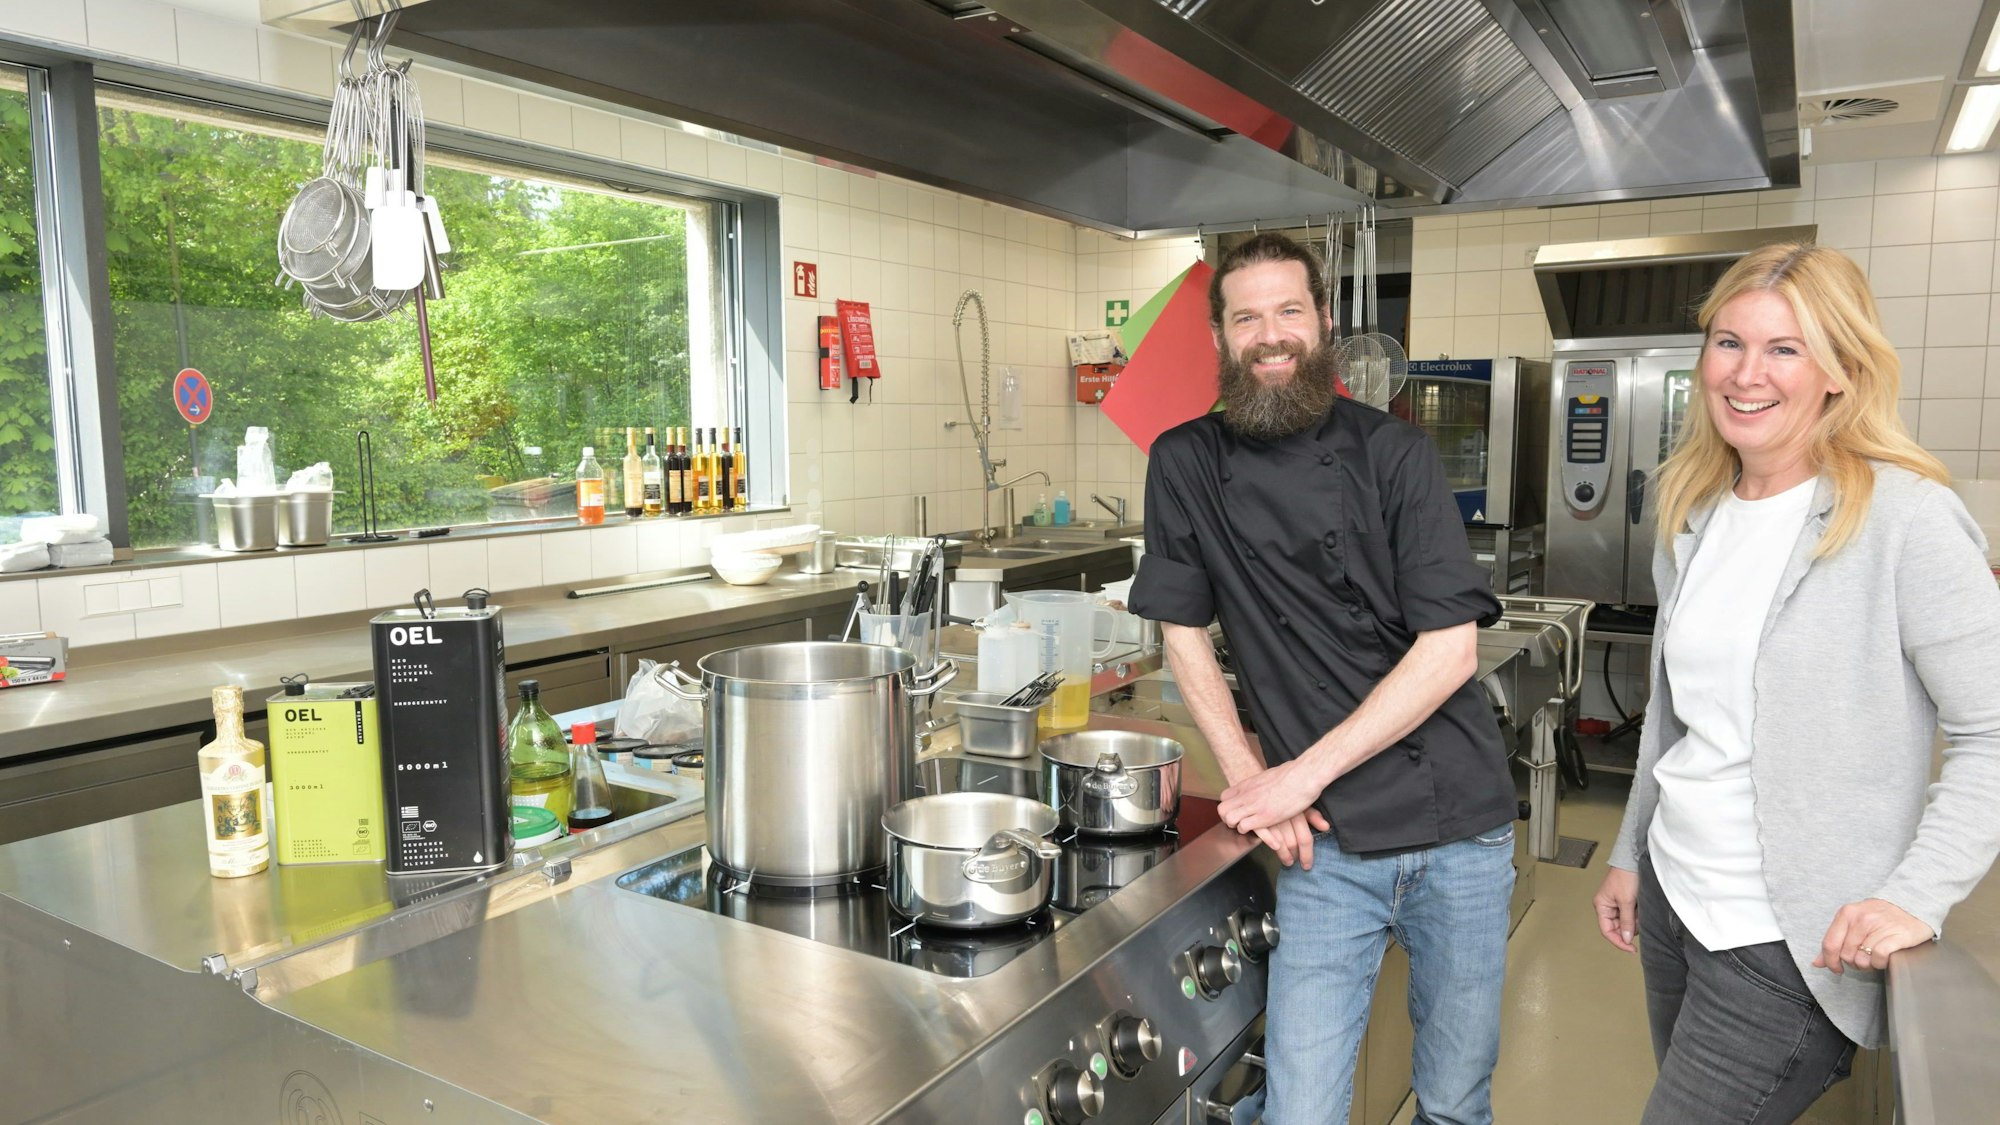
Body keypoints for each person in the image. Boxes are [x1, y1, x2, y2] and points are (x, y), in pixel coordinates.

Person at [1591, 241, 2000, 1123]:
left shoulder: (1905, 519)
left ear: (1843, 371)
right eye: (1729, 342)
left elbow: (1992, 733)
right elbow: (1672, 717)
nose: (1747, 373)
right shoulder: (1694, 510)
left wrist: (1915, 894)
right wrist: (1630, 851)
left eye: (1787, 348)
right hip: (1674, 904)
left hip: (1788, 945)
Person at [1127, 232, 1517, 1125]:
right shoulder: (1184, 462)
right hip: (1327, 847)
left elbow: (1449, 650)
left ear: (1326, 323)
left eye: (1289, 311)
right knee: (1300, 1111)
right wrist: (1251, 778)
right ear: (1221, 337)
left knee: (1455, 1102)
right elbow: (1181, 630)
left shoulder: (1394, 454)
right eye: (1247, 316)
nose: (1271, 335)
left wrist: (1296, 775)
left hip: (1459, 828)